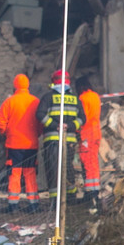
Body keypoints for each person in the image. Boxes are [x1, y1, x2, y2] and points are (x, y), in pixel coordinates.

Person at [35, 69, 85, 201]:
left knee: (53, 169)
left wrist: (54, 125)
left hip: (53, 139)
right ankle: (71, 196)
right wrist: (70, 126)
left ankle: (55, 200)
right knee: (68, 168)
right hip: (69, 140)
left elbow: (40, 114)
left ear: (53, 82)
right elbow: (82, 118)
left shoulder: (48, 97)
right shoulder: (75, 98)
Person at [0, 73, 41, 213]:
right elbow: (40, 122)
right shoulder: (35, 101)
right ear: (27, 85)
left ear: (15, 85)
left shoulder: (9, 102)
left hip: (14, 144)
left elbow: (0, 122)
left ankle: (13, 205)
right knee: (30, 174)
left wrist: (6, 133)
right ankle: (33, 204)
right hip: (31, 144)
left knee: (14, 175)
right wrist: (36, 134)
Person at [77, 79, 103, 214]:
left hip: (86, 134)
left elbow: (83, 117)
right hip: (96, 133)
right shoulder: (95, 96)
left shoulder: (82, 98)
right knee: (94, 164)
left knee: (87, 164)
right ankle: (95, 192)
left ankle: (90, 195)